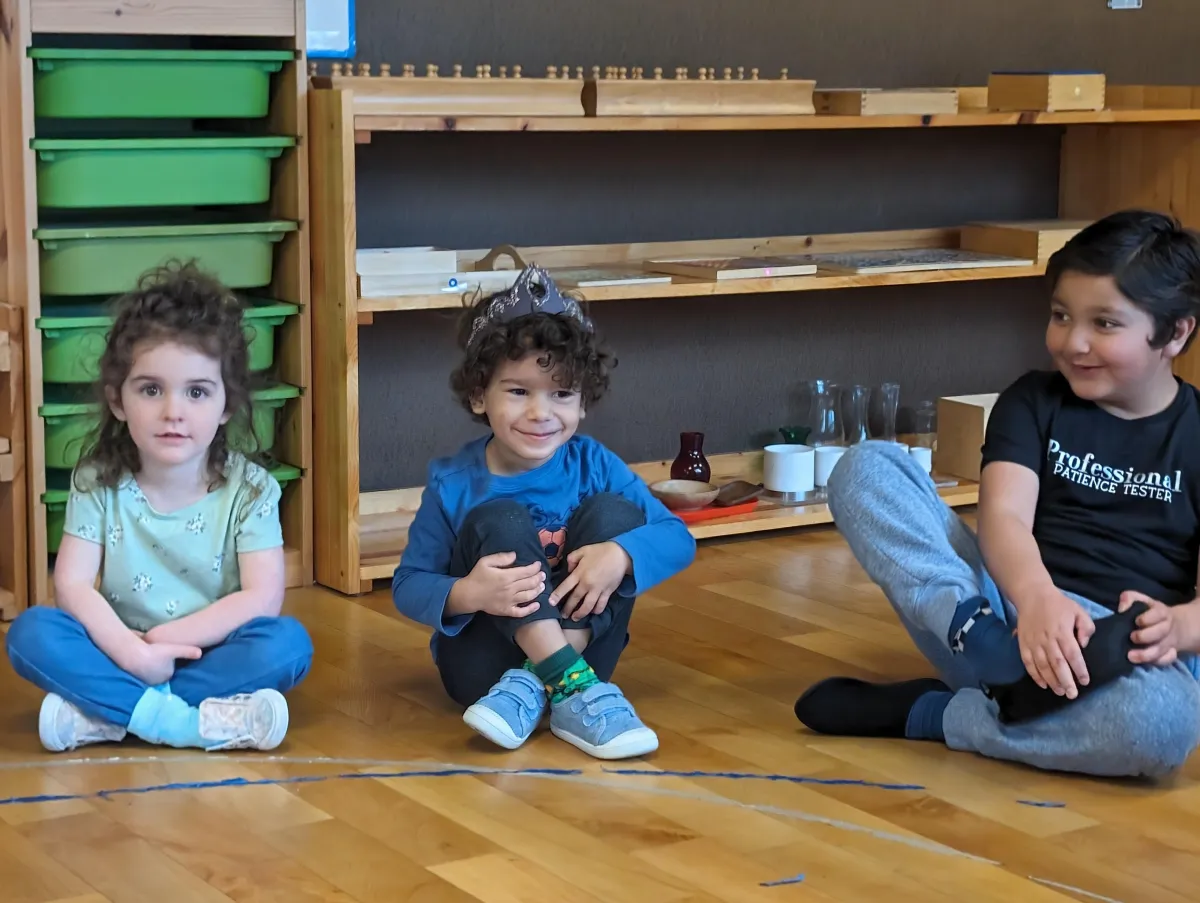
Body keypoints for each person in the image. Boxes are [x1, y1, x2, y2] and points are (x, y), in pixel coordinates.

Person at [794, 209, 1200, 779]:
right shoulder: (1034, 400)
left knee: (1164, 729)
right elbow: (1004, 516)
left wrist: (1181, 628)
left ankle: (941, 715)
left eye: (1105, 323)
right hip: (999, 613)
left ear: (1175, 332)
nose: (1074, 341)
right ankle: (995, 663)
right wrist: (1034, 599)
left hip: (1118, 652)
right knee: (865, 467)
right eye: (1061, 315)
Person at [6, 263, 313, 753]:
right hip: (116, 650)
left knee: (288, 645)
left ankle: (109, 715)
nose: (174, 411)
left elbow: (261, 598)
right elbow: (71, 584)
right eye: (151, 389)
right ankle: (185, 721)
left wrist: (167, 640)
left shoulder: (250, 489)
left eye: (196, 392)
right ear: (119, 400)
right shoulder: (97, 481)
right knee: (31, 633)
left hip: (208, 652)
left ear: (226, 406)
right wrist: (132, 651)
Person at [392, 266, 696, 759]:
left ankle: (543, 683)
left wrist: (620, 554)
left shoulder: (595, 463)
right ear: (478, 396)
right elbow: (408, 585)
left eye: (561, 393)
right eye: (518, 391)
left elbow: (677, 538)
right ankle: (569, 686)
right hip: (481, 669)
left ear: (582, 402)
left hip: (587, 652)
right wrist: (468, 592)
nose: (541, 413)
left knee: (617, 519)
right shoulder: (454, 482)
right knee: (500, 518)